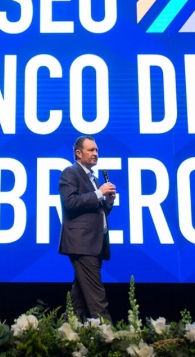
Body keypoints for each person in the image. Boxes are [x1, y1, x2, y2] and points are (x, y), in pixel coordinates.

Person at [58, 135, 116, 322]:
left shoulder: (94, 180)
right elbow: (71, 202)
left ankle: (67, 330)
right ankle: (109, 335)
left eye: (96, 150)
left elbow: (97, 212)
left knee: (79, 299)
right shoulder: (70, 173)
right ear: (78, 153)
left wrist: (107, 202)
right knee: (97, 298)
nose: (95, 153)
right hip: (82, 244)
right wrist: (99, 193)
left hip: (94, 243)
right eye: (91, 150)